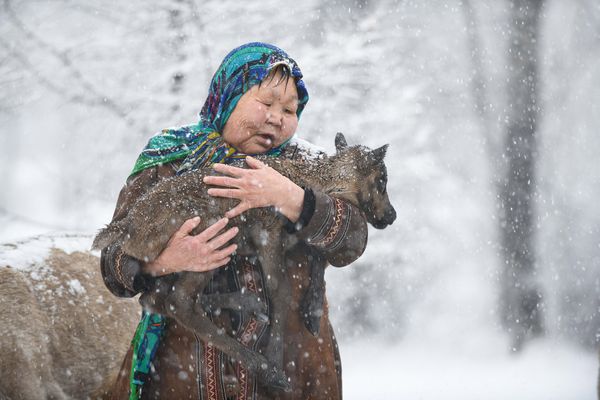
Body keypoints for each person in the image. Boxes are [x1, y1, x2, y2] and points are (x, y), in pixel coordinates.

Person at [101, 42, 368, 400]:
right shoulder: (170, 159)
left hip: (296, 374)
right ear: (228, 97)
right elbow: (112, 265)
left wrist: (292, 198)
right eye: (266, 102)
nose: (277, 117)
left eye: (290, 109)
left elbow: (352, 240)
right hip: (185, 376)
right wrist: (161, 263)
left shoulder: (309, 163)